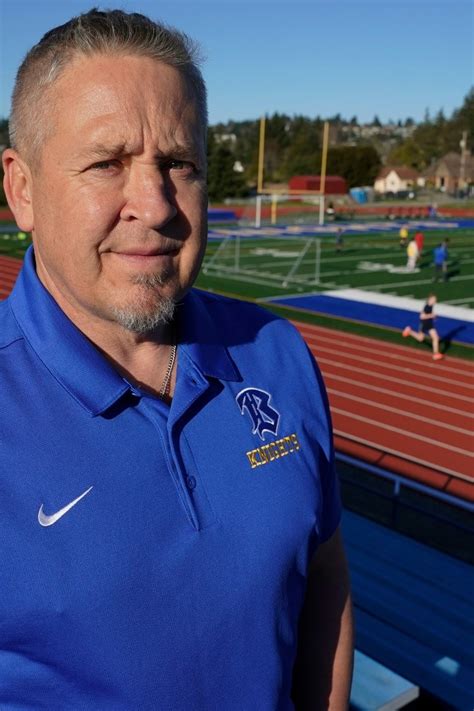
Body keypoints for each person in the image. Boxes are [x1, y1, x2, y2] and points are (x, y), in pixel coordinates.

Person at [0, 9, 353, 709]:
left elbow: (323, 566)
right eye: (107, 163)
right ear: (23, 190)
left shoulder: (277, 353)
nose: (156, 204)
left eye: (180, 163)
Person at [402, 294, 444, 360]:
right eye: (434, 300)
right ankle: (409, 331)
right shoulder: (427, 307)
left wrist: (433, 316)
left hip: (429, 323)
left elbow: (430, 313)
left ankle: (436, 354)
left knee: (430, 338)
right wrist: (431, 316)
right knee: (426, 338)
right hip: (425, 324)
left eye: (435, 300)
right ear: (430, 300)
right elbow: (421, 316)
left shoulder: (431, 306)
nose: (435, 301)